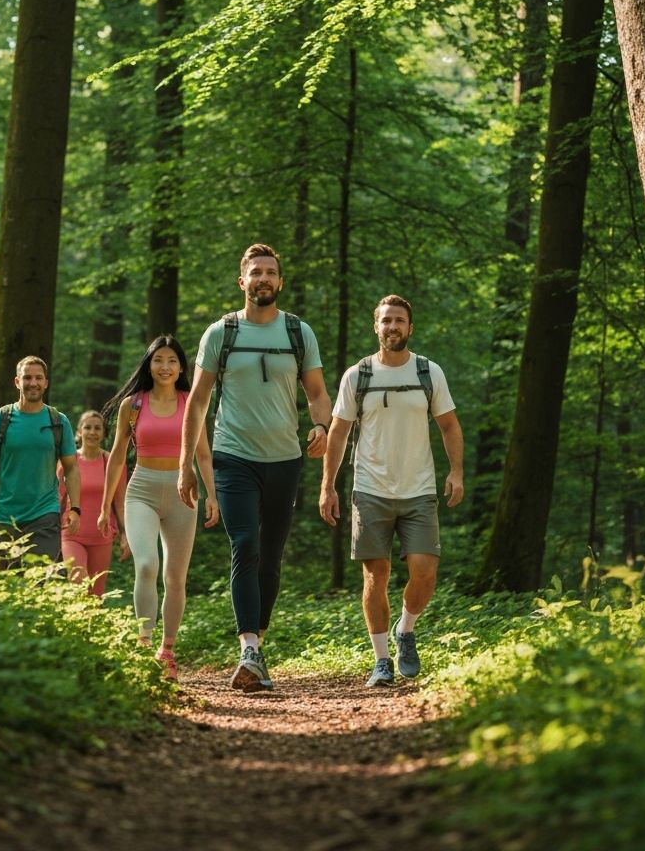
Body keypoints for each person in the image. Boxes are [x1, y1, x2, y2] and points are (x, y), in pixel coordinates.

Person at [178, 242, 332, 693]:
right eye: (255, 272)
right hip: (233, 456)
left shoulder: (299, 333)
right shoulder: (221, 333)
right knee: (245, 543)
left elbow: (318, 393)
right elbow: (198, 402)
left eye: (271, 272)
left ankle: (258, 643)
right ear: (241, 281)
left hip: (285, 459)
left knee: (270, 555)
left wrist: (321, 425)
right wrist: (186, 464)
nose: (263, 278)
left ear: (280, 282)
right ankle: (248, 647)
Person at [319, 295, 464, 687]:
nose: (392, 327)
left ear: (410, 328)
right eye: (385, 321)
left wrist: (456, 472)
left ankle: (406, 628)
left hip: (419, 489)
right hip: (370, 489)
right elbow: (338, 432)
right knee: (375, 576)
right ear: (376, 326)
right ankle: (382, 660)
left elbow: (449, 425)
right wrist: (327, 485)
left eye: (399, 320)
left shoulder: (428, 372)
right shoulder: (358, 375)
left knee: (425, 572)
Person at [102, 335, 219, 681]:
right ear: (148, 365)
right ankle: (143, 645)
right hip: (142, 490)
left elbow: (202, 454)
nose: (164, 367)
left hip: (184, 494)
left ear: (182, 367)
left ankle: (166, 650)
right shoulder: (133, 405)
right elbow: (118, 457)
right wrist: (105, 505)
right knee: (147, 564)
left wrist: (212, 496)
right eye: (158, 360)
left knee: (175, 578)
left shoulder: (191, 403)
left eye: (171, 361)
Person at [0, 355, 81, 569]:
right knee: (8, 583)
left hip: (45, 514)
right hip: (5, 515)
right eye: (27, 377)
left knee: (39, 579)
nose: (33, 383)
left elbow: (71, 469)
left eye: (39, 378)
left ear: (46, 383)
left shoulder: (58, 421)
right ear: (17, 382)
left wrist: (75, 508)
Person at [58, 410, 130, 596]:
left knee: (96, 594)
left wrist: (125, 535)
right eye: (87, 427)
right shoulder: (67, 461)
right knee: (78, 586)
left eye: (97, 428)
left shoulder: (113, 463)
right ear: (79, 431)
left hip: (102, 536)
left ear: (104, 433)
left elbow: (120, 503)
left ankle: (92, 626)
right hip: (71, 534)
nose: (92, 432)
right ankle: (74, 625)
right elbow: (57, 498)